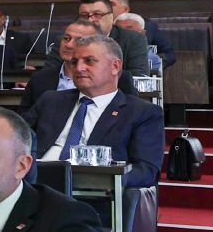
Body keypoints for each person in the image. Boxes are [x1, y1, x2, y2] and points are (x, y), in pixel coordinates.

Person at [27, 34, 163, 188]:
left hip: (91, 191)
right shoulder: (50, 100)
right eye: (74, 62)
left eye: (89, 61)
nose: (79, 68)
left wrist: (103, 180)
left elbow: (146, 171)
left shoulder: (142, 113)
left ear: (115, 66)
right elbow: (19, 137)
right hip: (35, 183)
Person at [74, 0, 148, 78]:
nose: (90, 20)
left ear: (111, 17)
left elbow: (138, 76)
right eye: (84, 16)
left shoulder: (133, 39)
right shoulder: (70, 40)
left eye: (97, 14)